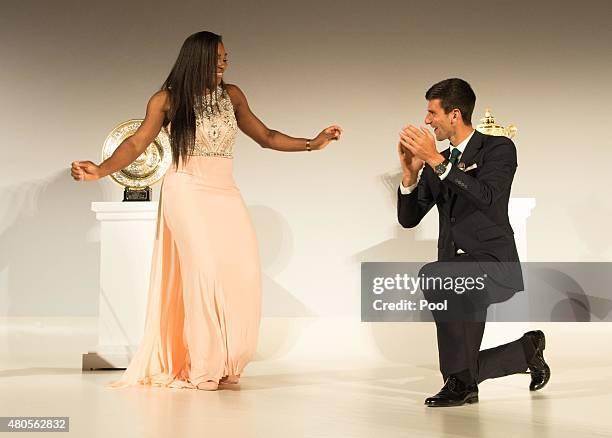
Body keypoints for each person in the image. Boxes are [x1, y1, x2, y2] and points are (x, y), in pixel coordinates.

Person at [71, 31, 342, 391]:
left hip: (224, 191)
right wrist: (102, 169)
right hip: (186, 189)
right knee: (205, 274)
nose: (224, 63)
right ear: (196, 58)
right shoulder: (166, 100)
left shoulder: (232, 96)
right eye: (217, 57)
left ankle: (229, 361)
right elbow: (138, 141)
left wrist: (313, 142)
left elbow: (266, 136)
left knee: (243, 271)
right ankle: (203, 366)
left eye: (226, 57)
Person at [396, 78, 549, 407]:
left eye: (431, 112)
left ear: (454, 115)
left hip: (494, 265)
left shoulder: (498, 148)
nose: (426, 121)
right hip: (458, 269)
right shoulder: (438, 161)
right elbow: (409, 219)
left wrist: (437, 162)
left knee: (434, 275)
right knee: (463, 370)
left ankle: (459, 382)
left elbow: (490, 198)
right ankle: (523, 351)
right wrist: (409, 175)